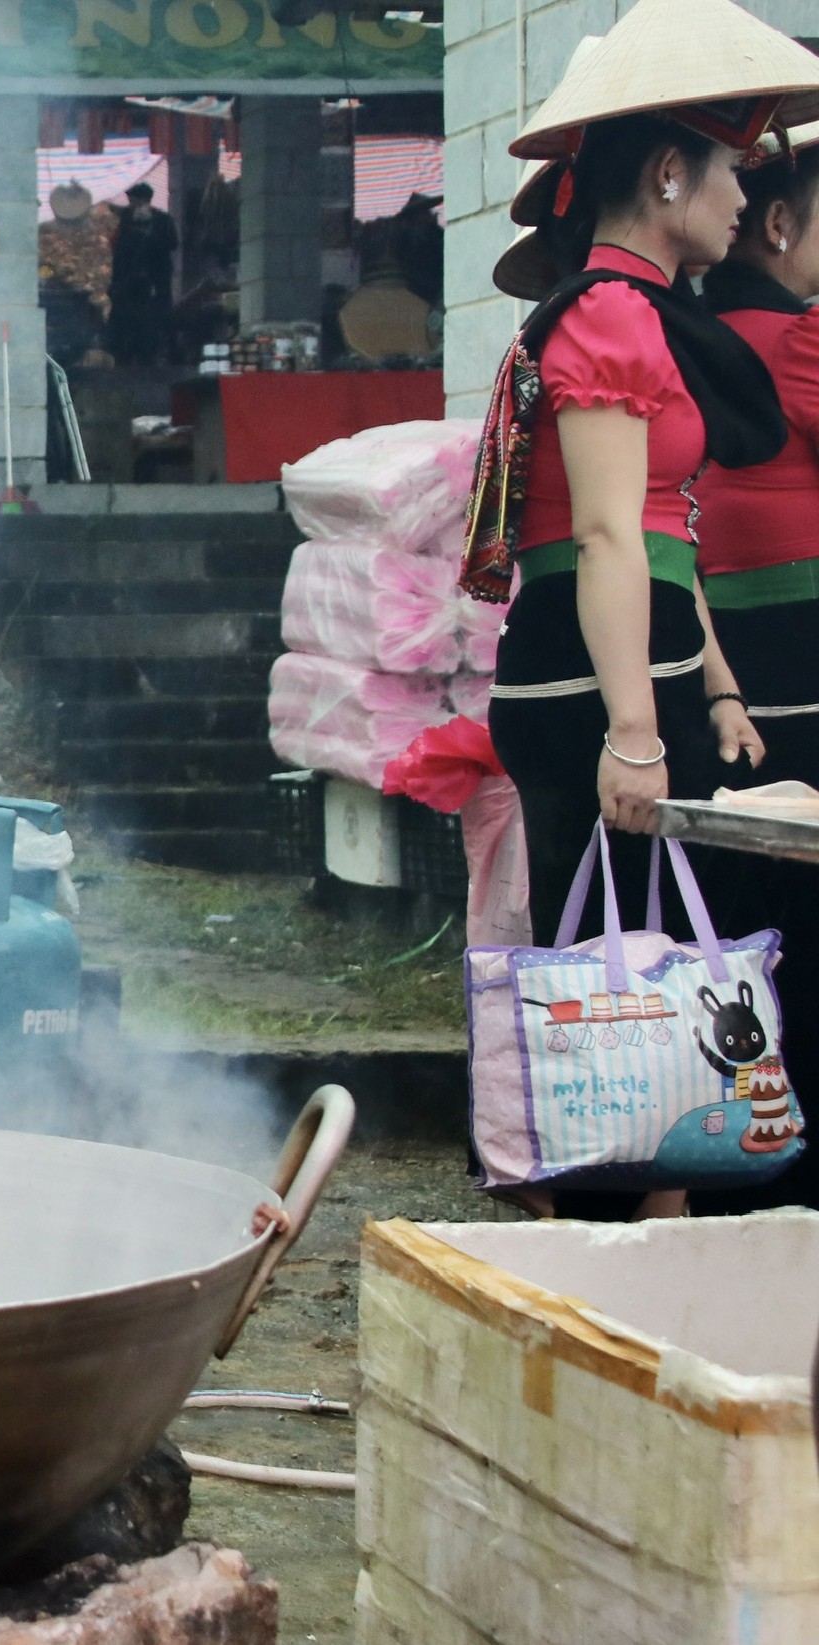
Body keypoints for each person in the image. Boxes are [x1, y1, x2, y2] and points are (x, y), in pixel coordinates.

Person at [464, 0, 819, 1219]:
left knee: (648, 951)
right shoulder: (613, 316)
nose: (741, 200)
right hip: (589, 675)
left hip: (629, 661)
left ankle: (639, 1207)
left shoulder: (641, 313)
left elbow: (668, 530)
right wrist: (632, 725)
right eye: (727, 172)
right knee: (612, 964)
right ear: (667, 175)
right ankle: (608, 1218)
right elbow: (611, 533)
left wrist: (709, 682)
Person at [685, 125, 819, 1207]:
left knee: (734, 915)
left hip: (709, 658)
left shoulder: (687, 334)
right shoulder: (797, 337)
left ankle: (731, 1139)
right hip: (793, 647)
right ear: (778, 225)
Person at [107, 181, 178, 367]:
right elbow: (119, 251)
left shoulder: (162, 220)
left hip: (156, 280)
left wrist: (150, 240)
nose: (132, 204)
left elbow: (171, 243)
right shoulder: (127, 220)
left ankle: (156, 353)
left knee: (156, 317)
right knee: (128, 318)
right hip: (130, 282)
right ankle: (128, 353)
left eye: (135, 200)